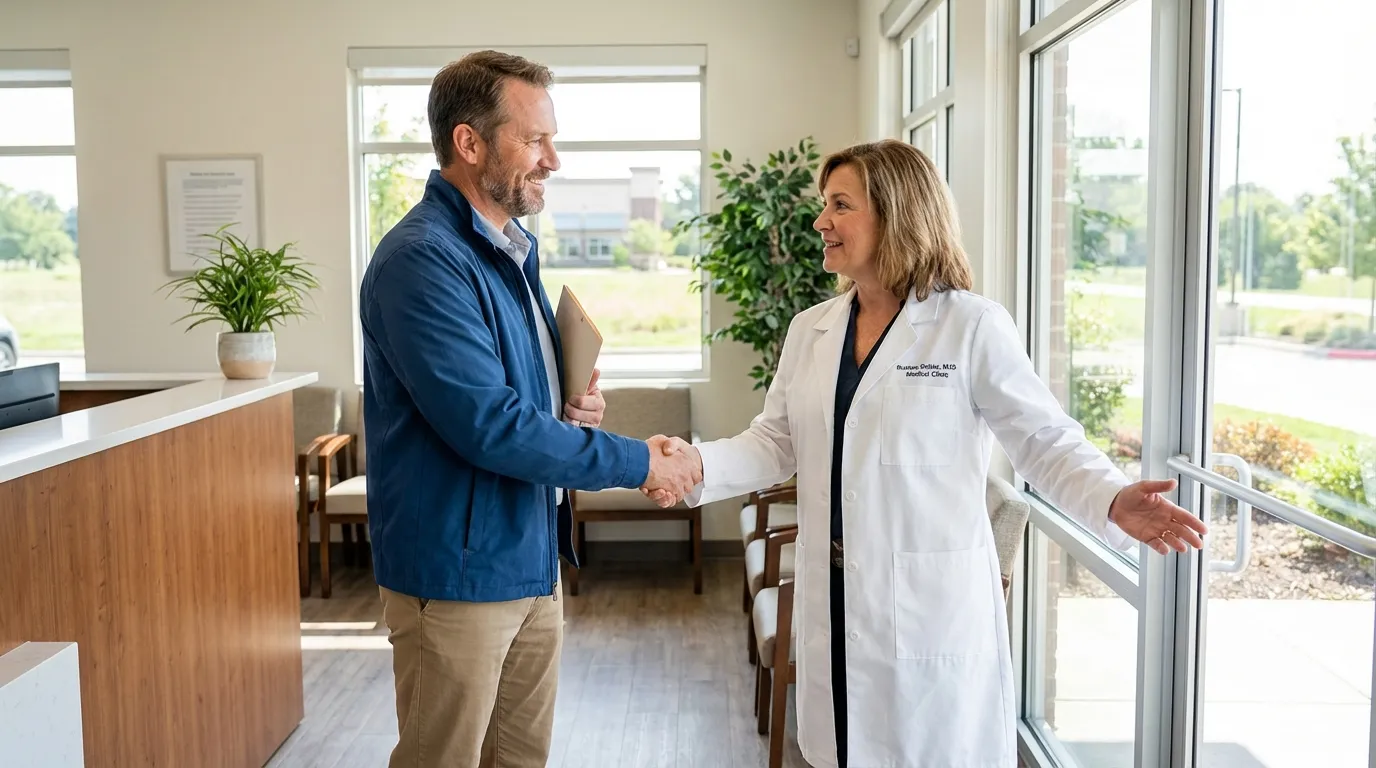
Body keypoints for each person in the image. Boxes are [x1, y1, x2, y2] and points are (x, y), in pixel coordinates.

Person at [643, 139, 1208, 768]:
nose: (819, 222)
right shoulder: (812, 329)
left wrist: (1109, 496)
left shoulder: (970, 326)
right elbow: (777, 441)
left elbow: (1043, 439)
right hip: (834, 594)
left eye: (839, 205)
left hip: (928, 611)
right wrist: (696, 466)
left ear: (896, 213)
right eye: (822, 205)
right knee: (842, 750)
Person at [358, 50, 700, 768]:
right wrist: (641, 461)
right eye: (534, 139)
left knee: (518, 760)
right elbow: (488, 425)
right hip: (455, 577)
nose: (554, 159)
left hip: (528, 559)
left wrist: (572, 403)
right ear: (469, 143)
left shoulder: (509, 250)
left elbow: (518, 403)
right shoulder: (421, 261)